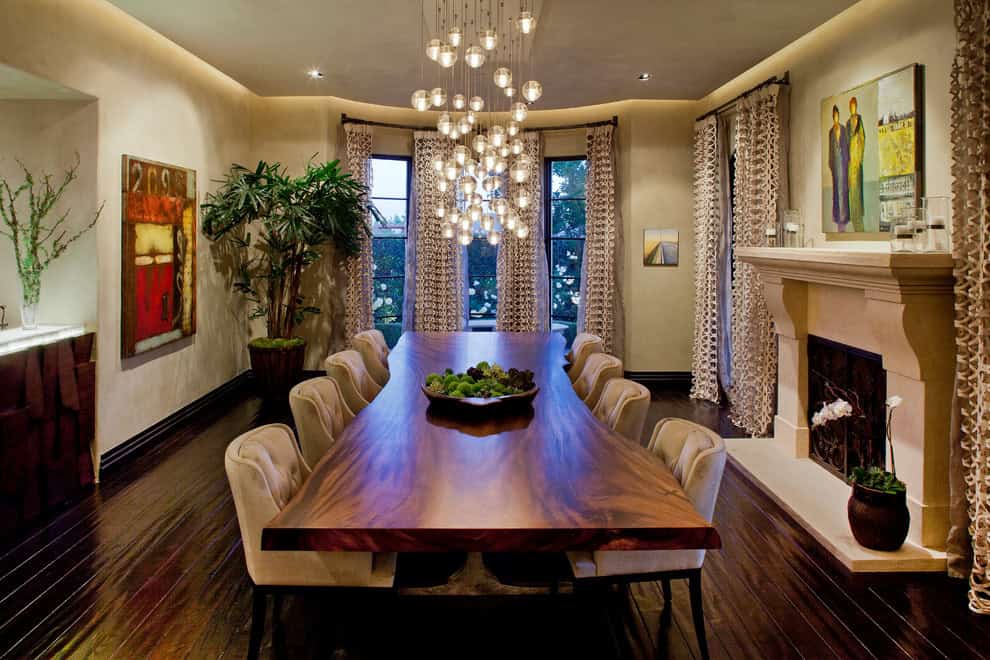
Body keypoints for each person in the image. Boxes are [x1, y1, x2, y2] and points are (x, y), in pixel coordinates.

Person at [827, 104, 850, 230]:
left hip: (843, 163)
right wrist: (830, 163)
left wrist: (847, 161)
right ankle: (837, 217)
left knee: (844, 190)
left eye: (837, 115)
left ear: (838, 116)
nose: (836, 118)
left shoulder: (843, 129)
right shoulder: (831, 132)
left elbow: (846, 147)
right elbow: (830, 150)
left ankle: (844, 217)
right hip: (835, 164)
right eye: (834, 116)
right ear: (832, 117)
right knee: (836, 191)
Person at [846, 96, 866, 232]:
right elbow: (846, 140)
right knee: (851, 187)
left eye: (854, 105)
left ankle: (858, 213)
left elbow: (862, 137)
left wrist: (860, 156)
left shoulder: (859, 119)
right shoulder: (848, 122)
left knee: (857, 186)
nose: (853, 108)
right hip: (850, 159)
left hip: (857, 158)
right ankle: (853, 213)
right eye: (851, 105)